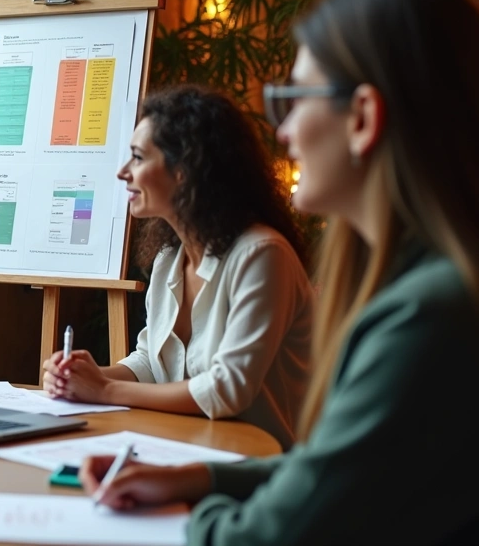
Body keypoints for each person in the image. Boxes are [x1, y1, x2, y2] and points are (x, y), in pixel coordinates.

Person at [81, 0, 479, 544]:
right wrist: (197, 480)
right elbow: (335, 471)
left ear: (361, 118)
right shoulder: (440, 288)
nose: (282, 132)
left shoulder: (431, 313)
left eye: (293, 98)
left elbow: (270, 535)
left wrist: (184, 514)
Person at [42, 85, 312, 448]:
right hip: (183, 450)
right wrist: (83, 377)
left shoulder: (263, 255)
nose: (123, 172)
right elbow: (152, 364)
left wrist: (104, 389)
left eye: (137, 158)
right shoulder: (170, 259)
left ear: (184, 169)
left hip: (258, 468)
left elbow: (226, 390)